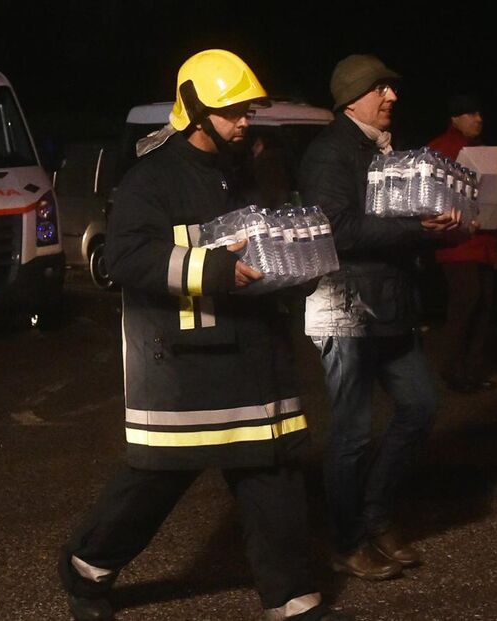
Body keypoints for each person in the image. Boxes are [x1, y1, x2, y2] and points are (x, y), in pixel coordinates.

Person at [58, 50, 345, 621]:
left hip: (255, 354)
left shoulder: (245, 173)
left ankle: (293, 599)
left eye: (247, 112)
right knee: (155, 483)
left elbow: (262, 244)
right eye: (233, 111)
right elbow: (126, 257)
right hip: (186, 365)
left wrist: (294, 269)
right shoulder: (151, 179)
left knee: (275, 474)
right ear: (192, 110)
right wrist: (210, 269)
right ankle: (85, 569)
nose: (245, 122)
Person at [298, 54, 459, 581]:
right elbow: (337, 230)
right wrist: (419, 228)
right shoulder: (330, 153)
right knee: (351, 433)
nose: (392, 97)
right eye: (380, 89)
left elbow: (397, 220)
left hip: (388, 303)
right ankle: (346, 542)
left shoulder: (384, 149)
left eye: (392, 87)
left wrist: (445, 220)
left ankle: (375, 516)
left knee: (421, 406)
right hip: (344, 305)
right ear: (351, 97)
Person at [428, 94, 497, 393]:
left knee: (481, 305)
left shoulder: (481, 151)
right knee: (466, 303)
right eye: (470, 113)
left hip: (483, 243)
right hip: (457, 244)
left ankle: (470, 370)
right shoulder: (440, 149)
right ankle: (452, 370)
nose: (478, 118)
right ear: (454, 118)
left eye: (479, 112)